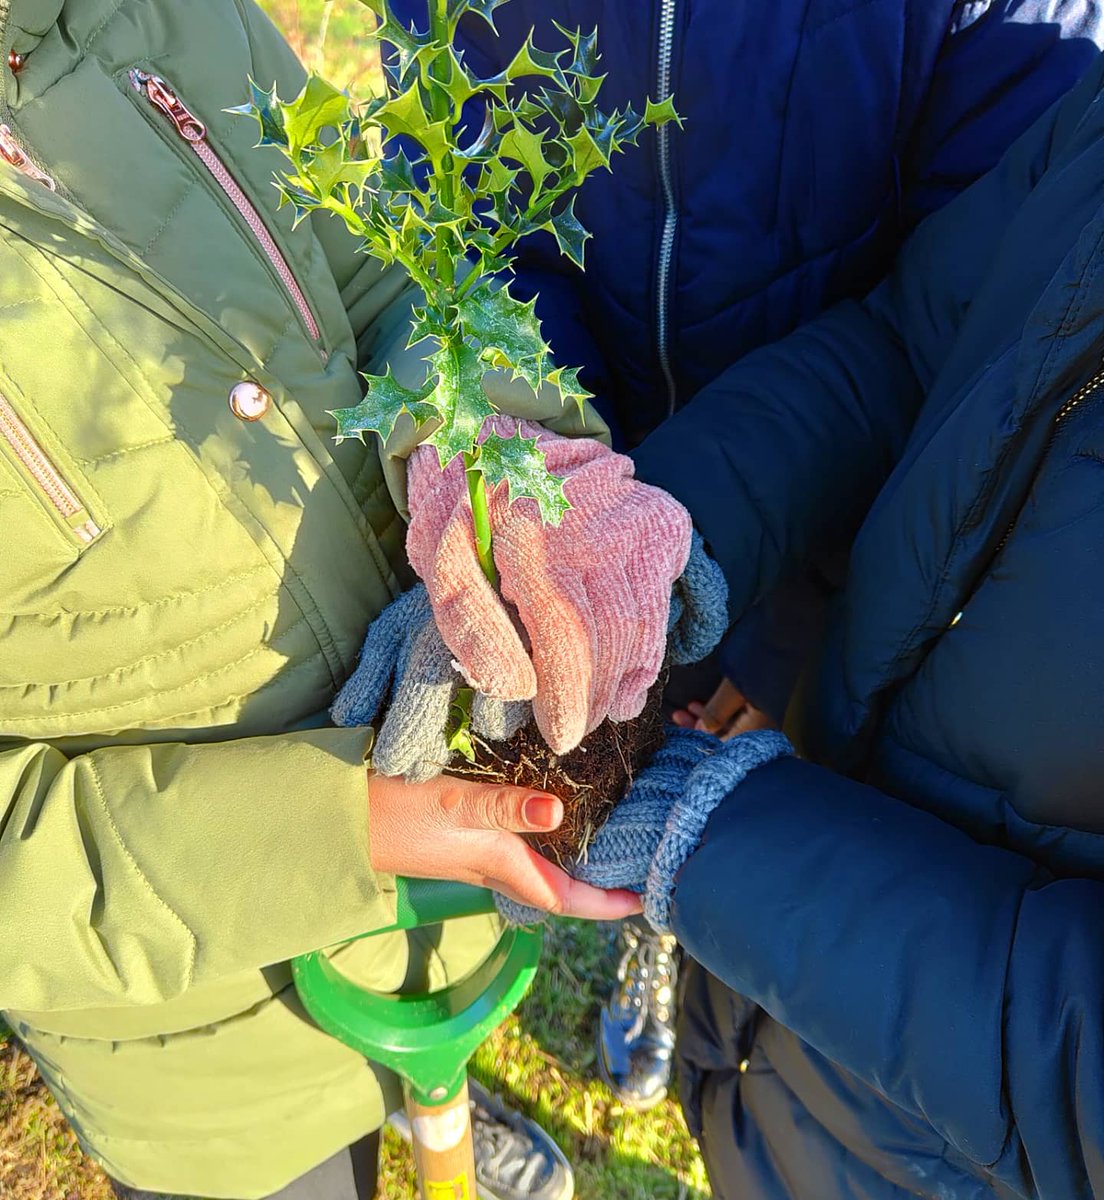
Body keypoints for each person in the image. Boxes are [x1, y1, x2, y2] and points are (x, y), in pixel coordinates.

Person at [0, 2, 692, 1197]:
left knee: (426, 1059)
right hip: (211, 1071)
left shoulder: (154, 17)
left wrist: (489, 438)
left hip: (435, 895)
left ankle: (437, 1106)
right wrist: (350, 827)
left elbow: (377, 271)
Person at [398, 0, 1104, 1112]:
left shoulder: (1039, 45)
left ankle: (681, 934)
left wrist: (717, 827)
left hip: (831, 595)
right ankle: (676, 960)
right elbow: (922, 336)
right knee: (743, 1055)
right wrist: (643, 525)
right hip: (706, 511)